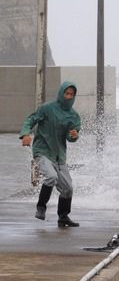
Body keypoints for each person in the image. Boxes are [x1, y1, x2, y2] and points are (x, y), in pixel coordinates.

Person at [19, 82, 82, 227]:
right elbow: (31, 120)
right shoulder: (47, 109)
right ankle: (41, 207)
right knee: (51, 177)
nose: (68, 97)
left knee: (68, 189)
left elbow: (71, 137)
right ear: (61, 93)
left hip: (59, 155)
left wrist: (74, 135)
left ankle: (63, 216)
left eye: (71, 95)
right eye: (66, 93)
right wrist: (25, 134)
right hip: (42, 151)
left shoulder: (74, 115)